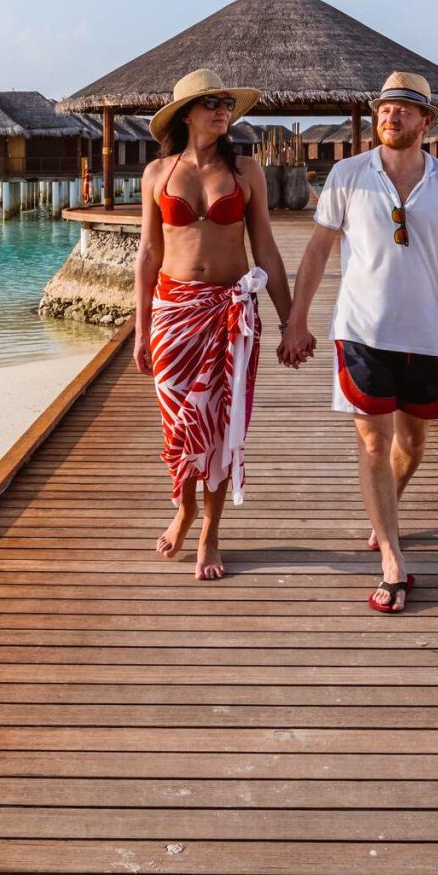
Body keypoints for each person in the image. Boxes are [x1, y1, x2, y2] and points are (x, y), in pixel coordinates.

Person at [283, 71, 438, 613]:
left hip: (422, 334)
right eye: (384, 108)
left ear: (427, 121)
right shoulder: (348, 175)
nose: (391, 116)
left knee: (413, 446)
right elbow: (317, 251)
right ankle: (393, 562)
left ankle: (385, 514)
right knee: (374, 444)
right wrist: (297, 320)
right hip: (360, 332)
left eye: (403, 109)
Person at [134, 68, 299, 580]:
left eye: (226, 103)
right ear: (186, 114)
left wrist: (291, 320)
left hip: (231, 317)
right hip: (173, 315)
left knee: (223, 427)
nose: (222, 110)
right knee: (178, 425)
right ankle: (182, 508)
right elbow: (147, 253)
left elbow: (266, 249)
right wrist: (140, 328)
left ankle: (209, 531)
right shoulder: (158, 173)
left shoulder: (246, 171)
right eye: (211, 104)